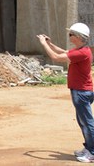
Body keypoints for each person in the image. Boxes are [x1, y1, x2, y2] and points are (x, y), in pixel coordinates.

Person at [38, 23, 94, 163]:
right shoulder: (81, 50)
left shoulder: (82, 52)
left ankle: (92, 152)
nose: (69, 37)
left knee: (87, 123)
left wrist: (43, 44)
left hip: (81, 92)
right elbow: (63, 52)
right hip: (81, 91)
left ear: (79, 37)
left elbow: (56, 58)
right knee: (83, 122)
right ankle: (88, 148)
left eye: (71, 34)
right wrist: (50, 44)